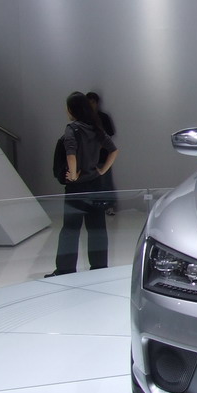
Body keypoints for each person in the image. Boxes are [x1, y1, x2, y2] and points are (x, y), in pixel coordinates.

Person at [46, 91, 119, 277]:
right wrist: (101, 171)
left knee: (70, 229)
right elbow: (113, 150)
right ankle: (99, 268)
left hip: (77, 189)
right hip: (95, 184)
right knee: (97, 229)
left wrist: (72, 175)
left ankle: (65, 269)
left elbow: (70, 153)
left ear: (72, 109)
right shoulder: (95, 128)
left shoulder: (73, 129)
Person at [86, 91, 117, 214]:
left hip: (103, 156)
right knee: (90, 182)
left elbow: (110, 134)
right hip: (88, 157)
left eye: (92, 102)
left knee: (105, 181)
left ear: (97, 103)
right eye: (88, 102)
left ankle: (109, 206)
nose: (91, 105)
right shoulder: (84, 119)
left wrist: (100, 146)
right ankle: (93, 206)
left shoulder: (103, 117)